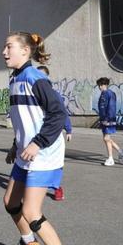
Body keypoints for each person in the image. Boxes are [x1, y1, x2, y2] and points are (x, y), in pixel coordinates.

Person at [2, 32, 83, 245]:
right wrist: (17, 145)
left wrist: (37, 143)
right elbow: (24, 118)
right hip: (27, 152)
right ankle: (29, 244)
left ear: (25, 51)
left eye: (9, 47)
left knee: (31, 212)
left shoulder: (35, 78)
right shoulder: (14, 78)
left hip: (44, 154)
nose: (4, 51)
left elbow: (58, 114)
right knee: (10, 203)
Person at [37, 65, 72, 201]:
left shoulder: (53, 94)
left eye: (41, 76)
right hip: (37, 134)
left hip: (52, 135)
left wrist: (68, 130)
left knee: (54, 164)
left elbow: (62, 113)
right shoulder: (32, 93)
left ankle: (57, 188)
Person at [97, 77, 123, 166]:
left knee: (106, 138)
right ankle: (121, 151)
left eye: (99, 85)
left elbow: (111, 107)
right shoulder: (103, 94)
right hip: (104, 119)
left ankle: (111, 159)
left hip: (108, 120)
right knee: (106, 139)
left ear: (103, 85)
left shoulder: (110, 94)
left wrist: (107, 119)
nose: (99, 87)